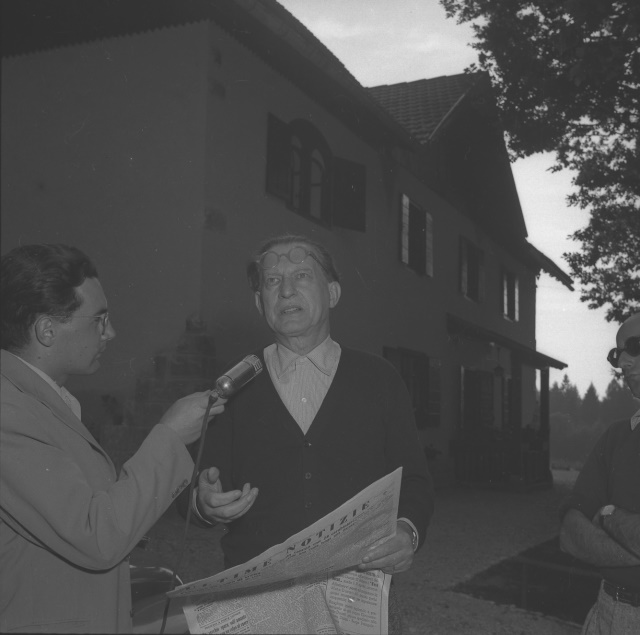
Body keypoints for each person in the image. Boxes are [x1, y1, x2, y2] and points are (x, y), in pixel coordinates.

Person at [180, 234, 434, 632]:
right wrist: (203, 503)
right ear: (260, 302)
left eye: (301, 275)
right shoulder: (231, 388)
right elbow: (189, 490)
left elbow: (415, 480)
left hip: (355, 601)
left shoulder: (380, 380)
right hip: (258, 606)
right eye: (272, 281)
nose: (286, 290)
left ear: (332, 293)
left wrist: (407, 531)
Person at [0, 243, 225, 634]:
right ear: (47, 330)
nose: (111, 332)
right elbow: (97, 536)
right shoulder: (10, 412)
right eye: (98, 319)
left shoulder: (41, 404)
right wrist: (170, 436)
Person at [559, 312, 640, 634]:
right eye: (616, 354)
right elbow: (569, 534)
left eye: (634, 347)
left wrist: (605, 516)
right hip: (610, 614)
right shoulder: (616, 437)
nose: (622, 362)